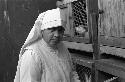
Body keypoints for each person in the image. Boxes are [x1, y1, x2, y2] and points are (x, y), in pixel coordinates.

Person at [14, 8, 80, 82]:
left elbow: (72, 73)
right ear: (42, 30)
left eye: (60, 30)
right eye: (52, 29)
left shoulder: (62, 47)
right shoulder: (32, 55)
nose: (57, 35)